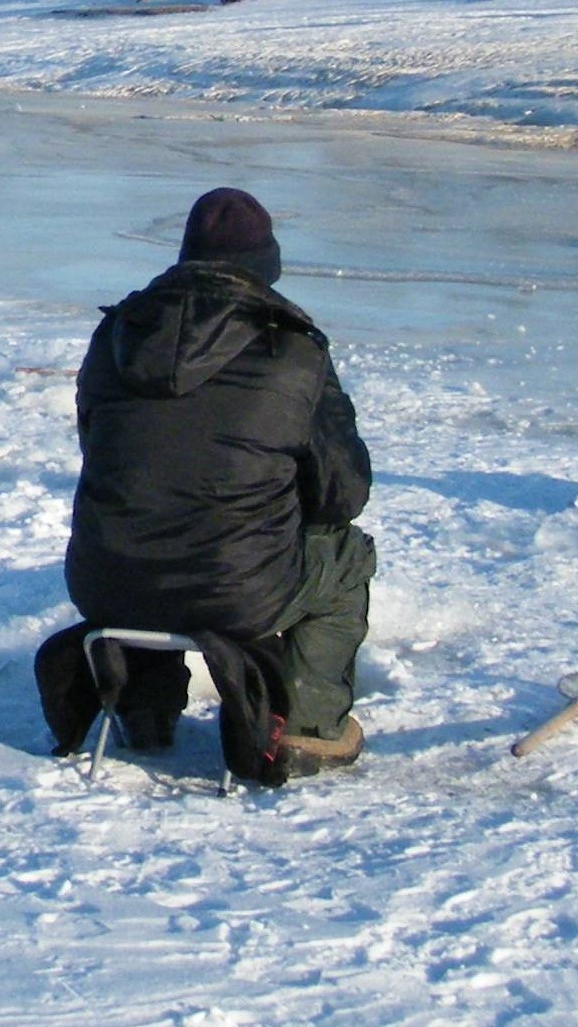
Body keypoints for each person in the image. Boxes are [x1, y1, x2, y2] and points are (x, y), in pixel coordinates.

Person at [59, 187, 375, 774]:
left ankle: (145, 711)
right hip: (237, 589)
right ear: (265, 266)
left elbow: (105, 452)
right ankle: (304, 727)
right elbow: (342, 492)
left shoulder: (116, 337)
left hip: (106, 578)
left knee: (151, 527)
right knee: (348, 560)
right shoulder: (293, 350)